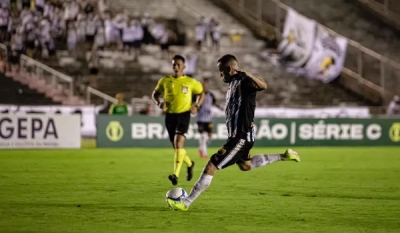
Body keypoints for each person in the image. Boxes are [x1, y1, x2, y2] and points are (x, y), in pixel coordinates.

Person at [170, 54, 300, 211]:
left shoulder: (244, 81)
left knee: (211, 166)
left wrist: (248, 74)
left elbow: (263, 86)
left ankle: (186, 203)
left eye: (221, 71)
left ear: (230, 69)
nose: (220, 75)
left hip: (240, 137)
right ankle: (284, 156)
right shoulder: (233, 84)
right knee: (246, 165)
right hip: (240, 136)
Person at [152, 54, 205, 186]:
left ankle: (175, 174)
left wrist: (197, 105)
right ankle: (190, 163)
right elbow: (155, 94)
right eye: (174, 64)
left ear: (184, 67)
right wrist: (159, 103)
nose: (176, 67)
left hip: (184, 115)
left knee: (179, 143)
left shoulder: (190, 81)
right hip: (170, 116)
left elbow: (201, 93)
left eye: (178, 65)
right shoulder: (165, 81)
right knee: (177, 148)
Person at [196, 78, 221, 159]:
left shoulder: (210, 94)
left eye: (206, 84)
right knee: (203, 135)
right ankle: (204, 153)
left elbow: (214, 102)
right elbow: (192, 103)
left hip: (209, 119)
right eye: (203, 84)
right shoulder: (198, 94)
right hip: (201, 119)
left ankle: (200, 148)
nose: (205, 86)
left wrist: (220, 107)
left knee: (209, 136)